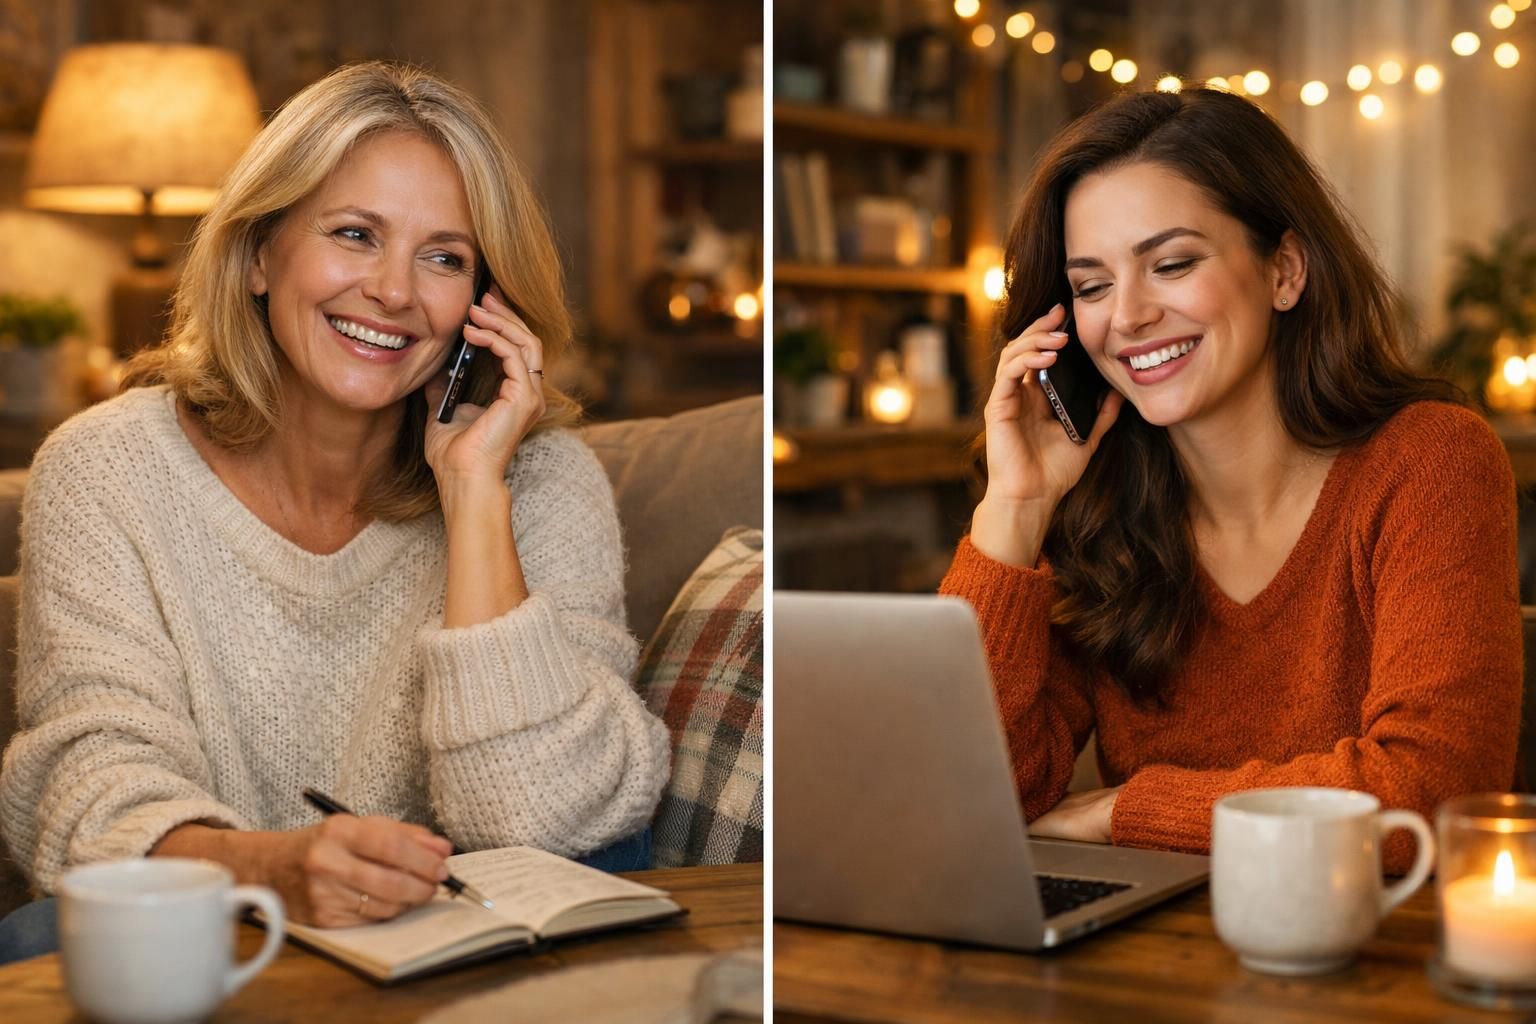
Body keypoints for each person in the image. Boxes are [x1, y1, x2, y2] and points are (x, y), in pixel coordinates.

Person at [0, 61, 670, 962]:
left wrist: (473, 494)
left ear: (483, 305)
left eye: (444, 257)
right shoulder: (107, 469)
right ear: (256, 258)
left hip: (467, 975)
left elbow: (541, 816)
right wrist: (274, 873)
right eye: (355, 235)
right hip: (210, 948)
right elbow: (92, 783)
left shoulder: (540, 481)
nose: (395, 292)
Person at [942, 86, 1521, 872]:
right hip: (1151, 965)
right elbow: (970, 797)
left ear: (1284, 269)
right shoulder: (1101, 507)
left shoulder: (1429, 461)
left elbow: (1428, 793)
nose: (1128, 316)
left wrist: (1127, 811)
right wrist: (1016, 506)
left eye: (1171, 264)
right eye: (1091, 286)